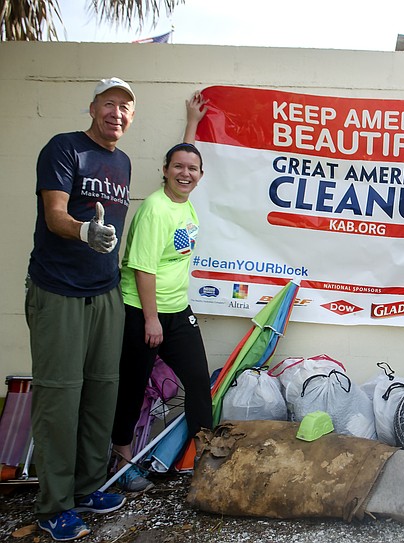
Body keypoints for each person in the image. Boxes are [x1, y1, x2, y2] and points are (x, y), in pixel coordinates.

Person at [25, 77, 136, 541]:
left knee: (100, 393)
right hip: (59, 290)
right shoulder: (64, 148)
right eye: (109, 104)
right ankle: (54, 505)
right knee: (59, 397)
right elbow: (54, 214)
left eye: (125, 108)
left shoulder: (124, 162)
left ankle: (90, 487)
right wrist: (83, 231)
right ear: (92, 108)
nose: (117, 113)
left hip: (105, 291)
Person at [111, 92, 214, 491]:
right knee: (132, 387)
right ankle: (121, 463)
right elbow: (142, 267)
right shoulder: (156, 208)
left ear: (200, 175)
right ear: (165, 171)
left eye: (193, 168)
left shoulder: (183, 201)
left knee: (198, 385)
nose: (185, 173)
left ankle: (204, 461)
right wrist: (151, 319)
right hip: (143, 312)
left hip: (176, 310)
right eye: (178, 167)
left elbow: (187, 156)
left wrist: (191, 124)